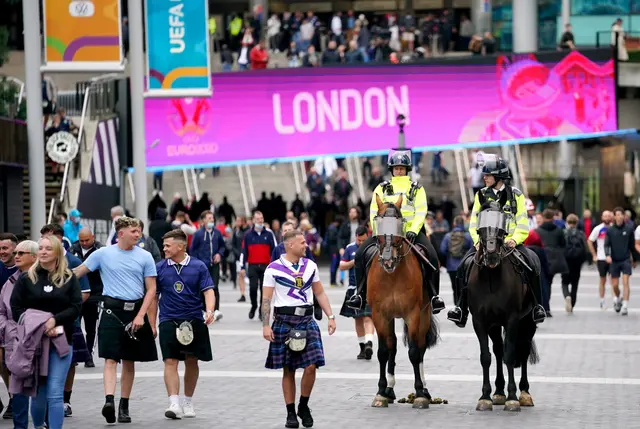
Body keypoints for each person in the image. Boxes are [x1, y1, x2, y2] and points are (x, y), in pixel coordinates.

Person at [72, 217, 158, 424]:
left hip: (135, 310)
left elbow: (152, 289)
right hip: (111, 310)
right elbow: (78, 273)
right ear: (120, 233)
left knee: (129, 361)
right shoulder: (102, 254)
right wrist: (53, 275)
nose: (138, 235)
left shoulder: (145, 256)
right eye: (134, 231)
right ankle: (109, 401)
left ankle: (124, 406)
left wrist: (142, 316)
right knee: (110, 358)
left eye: (138, 231)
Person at [447, 154, 546, 327]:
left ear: (498, 177)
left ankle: (538, 306)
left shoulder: (516, 195)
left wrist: (514, 240)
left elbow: (522, 222)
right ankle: (460, 307)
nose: (484, 177)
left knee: (533, 262)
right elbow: (474, 222)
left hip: (509, 243)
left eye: (488, 175)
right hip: (485, 242)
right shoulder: (481, 195)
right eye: (484, 175)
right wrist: (477, 240)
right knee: (463, 265)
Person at [346, 148, 445, 313]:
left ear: (407, 170)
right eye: (396, 168)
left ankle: (435, 296)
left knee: (433, 258)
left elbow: (421, 211)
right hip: (385, 233)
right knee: (361, 255)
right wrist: (378, 231)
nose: (399, 171)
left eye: (402, 168)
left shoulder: (417, 188)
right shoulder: (381, 188)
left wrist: (413, 230)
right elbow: (373, 211)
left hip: (411, 233)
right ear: (391, 170)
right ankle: (360, 295)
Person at [262, 230, 336, 429]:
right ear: (290, 245)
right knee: (289, 369)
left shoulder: (310, 266)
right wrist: (266, 325)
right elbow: (267, 299)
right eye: (302, 242)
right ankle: (290, 412)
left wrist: (330, 316)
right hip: (283, 321)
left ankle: (304, 405)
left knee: (312, 366)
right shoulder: (273, 269)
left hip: (307, 319)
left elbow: (319, 292)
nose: (306, 245)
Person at [10, 235, 82, 429]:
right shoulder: (27, 278)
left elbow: (76, 307)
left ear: (57, 252)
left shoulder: (68, 277)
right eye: (40, 248)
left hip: (61, 341)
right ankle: (39, 426)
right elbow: (16, 309)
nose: (42, 251)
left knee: (55, 392)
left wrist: (55, 320)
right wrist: (41, 324)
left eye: (48, 248)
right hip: (34, 343)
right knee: (39, 392)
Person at [156, 229, 216, 419]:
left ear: (181, 246)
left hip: (193, 319)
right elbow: (153, 296)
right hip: (168, 319)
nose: (164, 249)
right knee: (170, 361)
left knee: (192, 361)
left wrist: (210, 310)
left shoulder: (198, 266)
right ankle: (173, 403)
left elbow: (208, 291)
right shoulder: (159, 267)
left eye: (167, 245)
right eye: (163, 245)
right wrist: (150, 322)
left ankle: (188, 401)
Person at [0, 240, 38, 428]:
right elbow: (1, 311)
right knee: (18, 387)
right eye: (16, 252)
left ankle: (43, 423)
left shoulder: (43, 279)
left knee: (42, 386)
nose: (16, 256)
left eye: (22, 253)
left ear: (34, 256)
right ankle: (19, 426)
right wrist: (8, 329)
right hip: (14, 341)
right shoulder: (10, 281)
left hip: (38, 340)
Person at [339, 225, 375, 360]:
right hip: (353, 288)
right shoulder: (349, 248)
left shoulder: (373, 247)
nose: (361, 243)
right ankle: (362, 348)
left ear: (367, 236)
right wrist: (354, 261)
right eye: (359, 240)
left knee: (368, 317)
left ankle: (369, 343)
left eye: (363, 240)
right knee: (358, 318)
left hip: (370, 288)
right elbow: (341, 266)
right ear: (356, 237)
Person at [240, 211, 277, 320]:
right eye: (257, 219)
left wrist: (275, 265)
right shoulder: (247, 235)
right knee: (253, 288)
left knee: (263, 289)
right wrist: (242, 267)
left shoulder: (269, 234)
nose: (260, 221)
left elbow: (274, 250)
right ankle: (254, 306)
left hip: (266, 266)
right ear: (253, 220)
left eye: (261, 218)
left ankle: (262, 309)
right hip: (253, 266)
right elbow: (244, 251)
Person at [189, 210, 225, 321]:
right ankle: (204, 310)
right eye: (209, 218)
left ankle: (216, 310)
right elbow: (192, 250)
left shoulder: (217, 233)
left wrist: (219, 254)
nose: (212, 220)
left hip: (214, 264)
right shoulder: (198, 234)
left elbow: (222, 246)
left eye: (212, 218)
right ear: (203, 220)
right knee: (202, 287)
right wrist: (196, 263)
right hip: (202, 266)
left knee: (215, 286)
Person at [606, 207, 634, 316]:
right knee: (615, 286)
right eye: (617, 214)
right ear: (614, 216)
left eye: (621, 214)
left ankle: (625, 306)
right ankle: (618, 298)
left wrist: (634, 258)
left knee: (626, 282)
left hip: (625, 259)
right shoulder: (610, 230)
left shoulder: (629, 228)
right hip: (614, 260)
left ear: (624, 216)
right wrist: (608, 255)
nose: (619, 217)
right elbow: (606, 244)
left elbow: (632, 245)